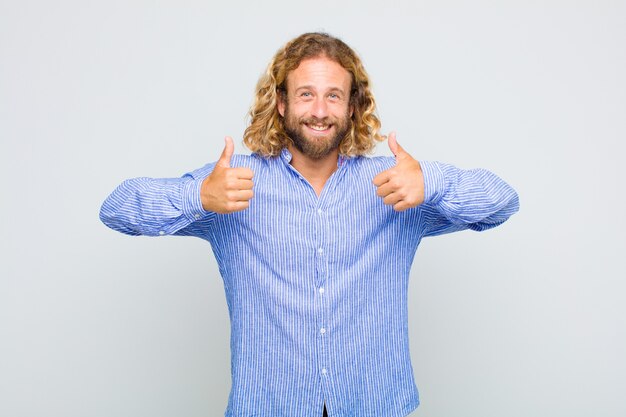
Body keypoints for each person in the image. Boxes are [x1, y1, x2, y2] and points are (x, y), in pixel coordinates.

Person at [100, 32, 519, 417]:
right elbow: (117, 208)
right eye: (306, 95)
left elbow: (502, 202)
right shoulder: (231, 185)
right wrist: (196, 196)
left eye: (334, 96)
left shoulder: (397, 186)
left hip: (374, 404)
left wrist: (433, 180)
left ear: (352, 106)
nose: (319, 111)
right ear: (281, 103)